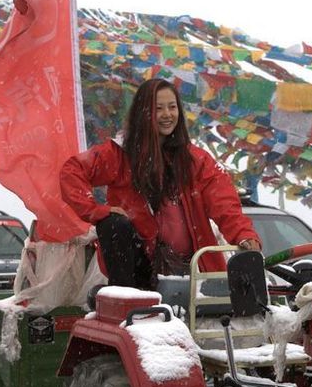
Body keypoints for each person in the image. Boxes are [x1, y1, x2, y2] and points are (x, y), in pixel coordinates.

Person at [61, 78, 261, 289]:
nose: (167, 115)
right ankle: (124, 298)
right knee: (113, 223)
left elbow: (225, 203)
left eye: (172, 107)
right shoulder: (119, 155)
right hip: (139, 267)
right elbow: (72, 171)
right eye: (158, 108)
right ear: (143, 113)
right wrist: (95, 211)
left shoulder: (196, 160)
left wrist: (244, 236)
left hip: (190, 266)